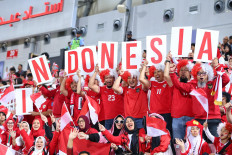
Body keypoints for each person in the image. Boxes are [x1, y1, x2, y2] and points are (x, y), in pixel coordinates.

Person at [169, 59, 230, 137]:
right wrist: (172, 72)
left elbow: (226, 79)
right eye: (199, 73)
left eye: (204, 73)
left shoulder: (214, 83)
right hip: (198, 120)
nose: (201, 75)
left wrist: (217, 66)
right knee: (200, 145)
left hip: (213, 119)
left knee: (214, 144)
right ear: (195, 75)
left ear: (208, 75)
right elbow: (178, 84)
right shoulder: (192, 86)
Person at [140, 58, 173, 134]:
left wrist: (167, 63)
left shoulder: (169, 83)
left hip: (167, 114)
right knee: (155, 137)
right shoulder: (153, 84)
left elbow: (166, 75)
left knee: (167, 135)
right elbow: (141, 79)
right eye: (154, 72)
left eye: (159, 71)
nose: (156, 74)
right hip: (154, 114)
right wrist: (145, 66)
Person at [166, 58, 194, 139]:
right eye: (181, 70)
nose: (183, 72)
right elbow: (166, 76)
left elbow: (180, 85)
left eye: (186, 70)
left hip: (191, 117)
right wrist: (170, 67)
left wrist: (172, 73)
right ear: (178, 72)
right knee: (177, 144)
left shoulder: (193, 84)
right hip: (177, 117)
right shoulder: (174, 83)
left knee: (191, 143)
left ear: (190, 73)